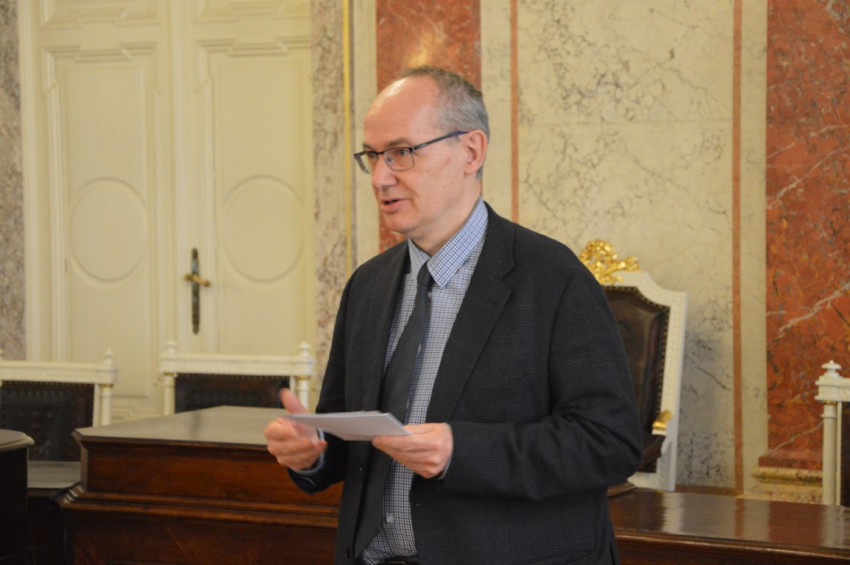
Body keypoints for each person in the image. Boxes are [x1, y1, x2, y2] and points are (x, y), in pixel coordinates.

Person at [264, 66, 642, 565]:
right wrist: (312, 452)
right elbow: (351, 436)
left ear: (471, 152)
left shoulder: (554, 278)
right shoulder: (368, 286)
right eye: (373, 156)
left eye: (402, 152)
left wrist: (460, 451)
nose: (380, 178)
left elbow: (610, 442)